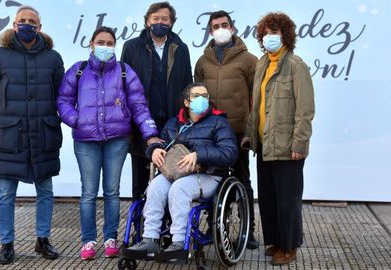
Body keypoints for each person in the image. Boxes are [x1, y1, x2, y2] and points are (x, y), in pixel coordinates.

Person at [56, 26, 160, 260]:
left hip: (117, 140)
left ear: (115, 45)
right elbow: (63, 99)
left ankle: (110, 238)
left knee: (112, 192)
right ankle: (88, 241)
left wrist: (150, 133)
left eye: (109, 42)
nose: (105, 46)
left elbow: (138, 105)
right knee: (89, 192)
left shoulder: (124, 72)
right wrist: (76, 120)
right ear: (91, 44)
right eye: (100, 42)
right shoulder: (78, 71)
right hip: (86, 141)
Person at [0, 5, 64, 265]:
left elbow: (61, 94)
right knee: (6, 192)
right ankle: (6, 243)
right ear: (14, 25)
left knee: (45, 190)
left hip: (43, 132)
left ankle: (43, 239)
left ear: (40, 26)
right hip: (9, 135)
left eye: (32, 22)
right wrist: (5, 114)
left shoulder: (52, 57)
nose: (27, 25)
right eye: (22, 21)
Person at [126, 82, 238, 255]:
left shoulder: (219, 123)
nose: (201, 99)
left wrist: (199, 154)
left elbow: (229, 153)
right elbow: (161, 144)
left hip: (208, 175)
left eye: (205, 96)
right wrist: (154, 150)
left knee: (179, 189)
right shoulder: (173, 124)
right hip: (176, 173)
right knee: (155, 186)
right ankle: (150, 239)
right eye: (196, 96)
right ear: (186, 102)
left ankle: (178, 242)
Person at [243, 12, 315, 265]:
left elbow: (305, 109)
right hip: (264, 143)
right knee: (269, 196)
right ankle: (275, 242)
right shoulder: (262, 63)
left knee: (288, 199)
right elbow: (257, 105)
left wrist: (299, 143)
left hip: (287, 146)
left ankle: (290, 245)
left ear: (286, 35)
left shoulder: (296, 65)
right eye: (265, 33)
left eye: (275, 32)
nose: (269, 37)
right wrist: (249, 135)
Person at [194, 10, 259, 249]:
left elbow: (257, 98)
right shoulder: (202, 62)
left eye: (224, 24)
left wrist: (251, 132)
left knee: (242, 179)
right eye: (216, 26)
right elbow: (197, 98)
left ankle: (248, 230)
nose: (220, 28)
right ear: (210, 31)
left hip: (238, 131)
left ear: (232, 28)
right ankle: (214, 227)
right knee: (213, 179)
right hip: (211, 134)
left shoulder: (249, 60)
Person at [121, 1, 193, 201]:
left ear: (171, 23)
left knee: (170, 176)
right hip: (141, 123)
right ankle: (140, 227)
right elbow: (123, 84)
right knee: (141, 177)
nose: (160, 22)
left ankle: (167, 227)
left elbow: (188, 82)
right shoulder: (131, 47)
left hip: (172, 124)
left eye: (165, 19)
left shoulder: (181, 48)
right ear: (147, 21)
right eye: (155, 19)